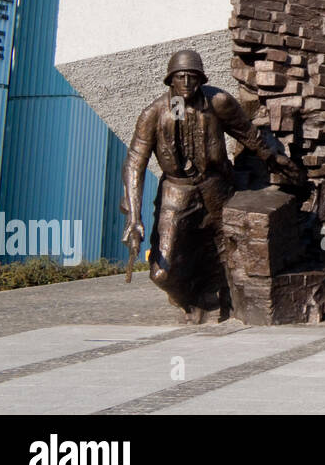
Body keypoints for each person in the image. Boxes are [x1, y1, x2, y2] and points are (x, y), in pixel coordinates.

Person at [121, 49, 293, 323]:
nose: (187, 82)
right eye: (181, 77)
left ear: (201, 79)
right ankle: (191, 298)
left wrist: (276, 159)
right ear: (171, 81)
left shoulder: (218, 102)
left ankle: (223, 302)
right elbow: (134, 163)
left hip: (216, 186)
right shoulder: (153, 114)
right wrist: (133, 216)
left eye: (193, 76)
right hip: (177, 191)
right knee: (162, 273)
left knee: (227, 254)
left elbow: (248, 135)